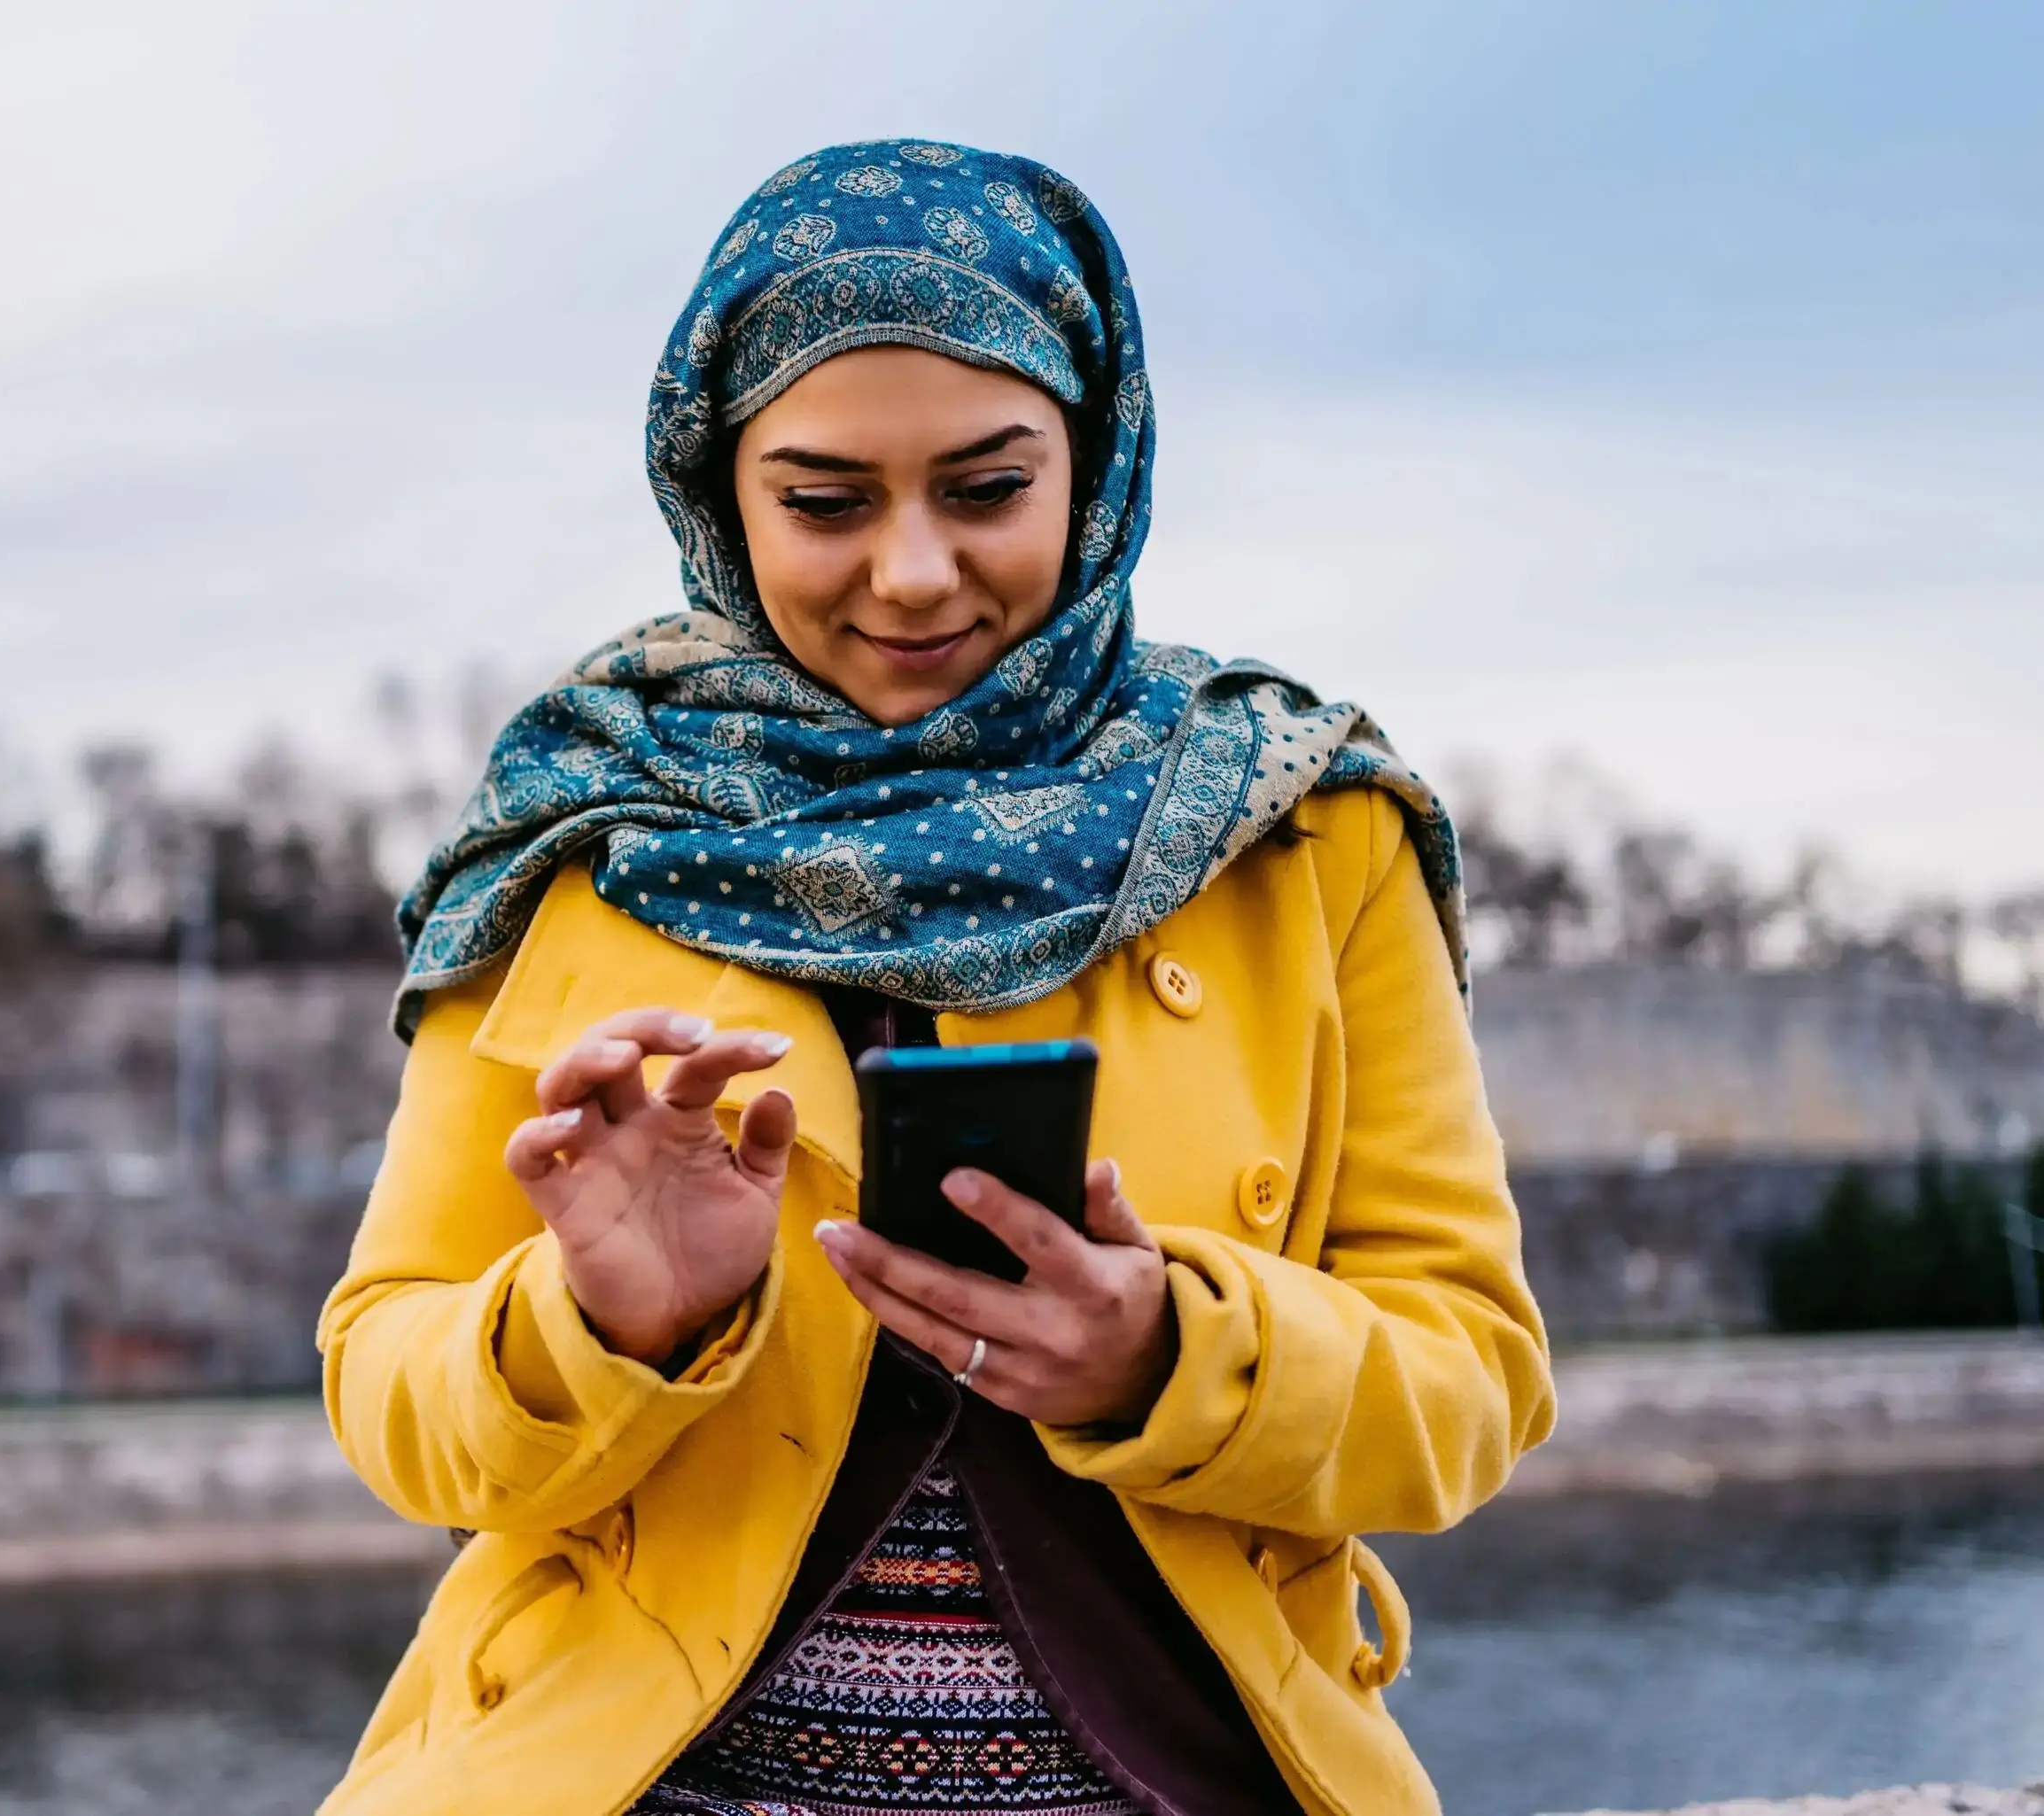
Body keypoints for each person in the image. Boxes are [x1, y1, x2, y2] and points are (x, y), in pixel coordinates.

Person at [317, 138, 1552, 1816]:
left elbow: (1473, 1382)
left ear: (1095, 466)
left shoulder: (1305, 826)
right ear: (716, 483)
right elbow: (387, 1386)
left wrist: (1171, 1356)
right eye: (824, 502)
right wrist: (607, 1320)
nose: (910, 573)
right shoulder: (579, 828)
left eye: (987, 489)